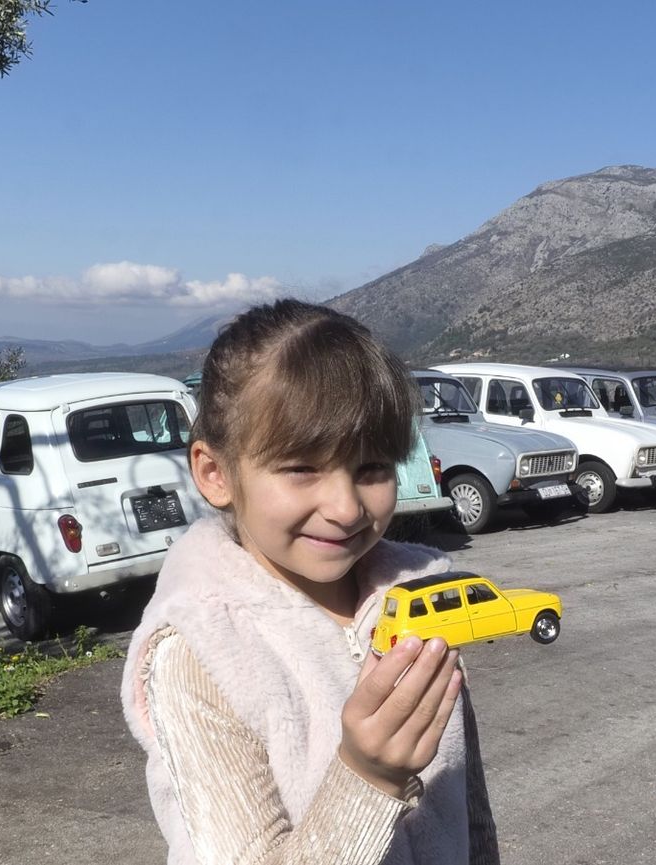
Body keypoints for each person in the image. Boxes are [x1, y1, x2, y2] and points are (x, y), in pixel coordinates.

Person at [121, 299, 498, 864]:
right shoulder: (198, 651)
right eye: (302, 468)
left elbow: (470, 806)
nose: (346, 508)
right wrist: (369, 777)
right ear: (216, 473)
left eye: (372, 468)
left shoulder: (422, 598)